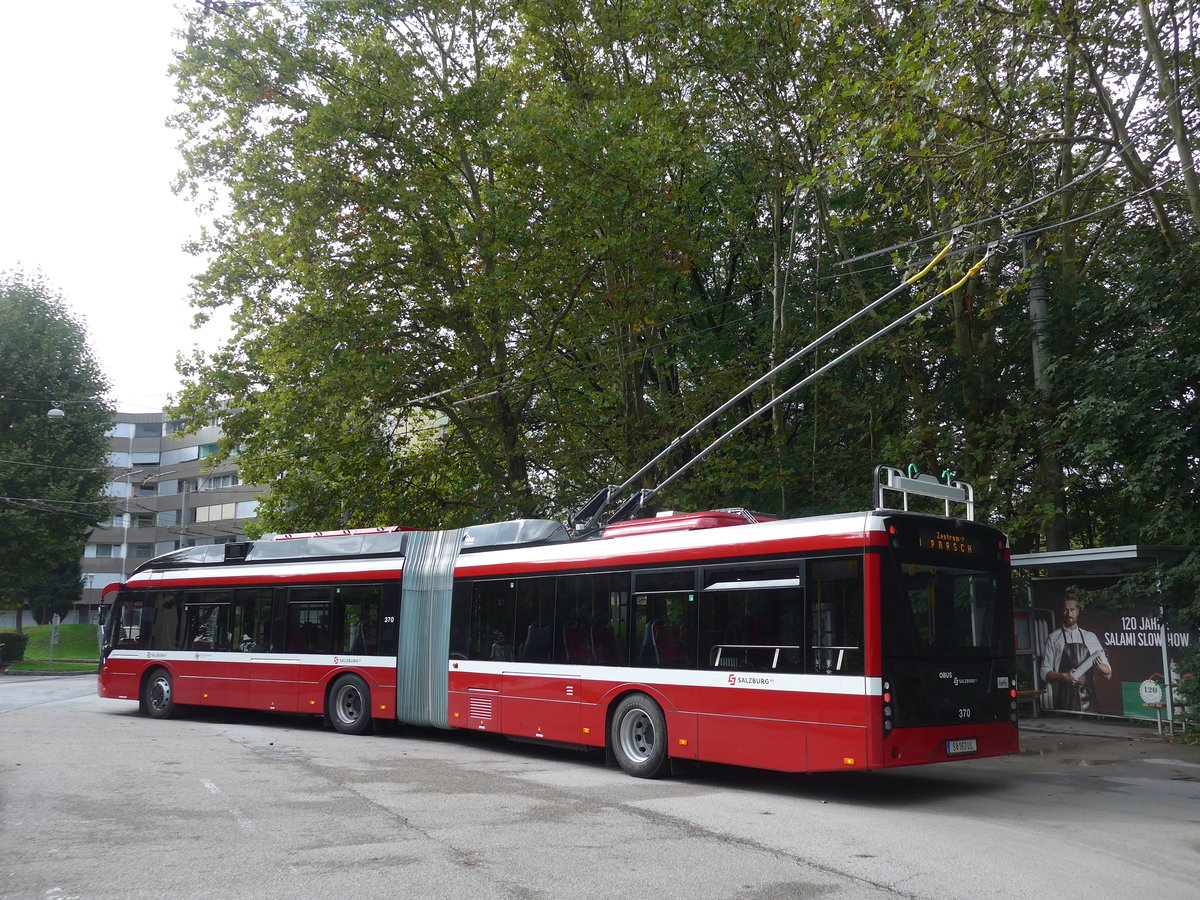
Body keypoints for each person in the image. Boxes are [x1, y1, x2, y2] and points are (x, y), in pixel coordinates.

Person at [1041, 594, 1112, 712]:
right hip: (1065, 702)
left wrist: (1099, 666)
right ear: (1061, 611)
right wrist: (1063, 676)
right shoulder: (1053, 638)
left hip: (1090, 704)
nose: (1069, 614)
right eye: (1066, 610)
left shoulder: (1090, 637)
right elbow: (1044, 672)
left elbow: (1108, 674)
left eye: (1072, 610)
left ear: (1078, 611)